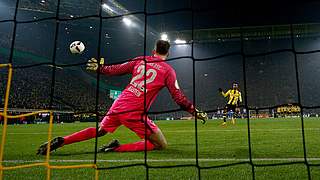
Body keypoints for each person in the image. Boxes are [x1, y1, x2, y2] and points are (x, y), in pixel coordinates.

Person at [37, 40, 207, 155]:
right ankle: (116, 148)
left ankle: (63, 141)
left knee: (99, 131)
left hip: (119, 104)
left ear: (153, 51)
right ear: (168, 54)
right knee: (160, 144)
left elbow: (115, 70)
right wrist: (194, 111)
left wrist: (100, 68)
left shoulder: (140, 60)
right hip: (134, 111)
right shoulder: (168, 70)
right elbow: (177, 97)